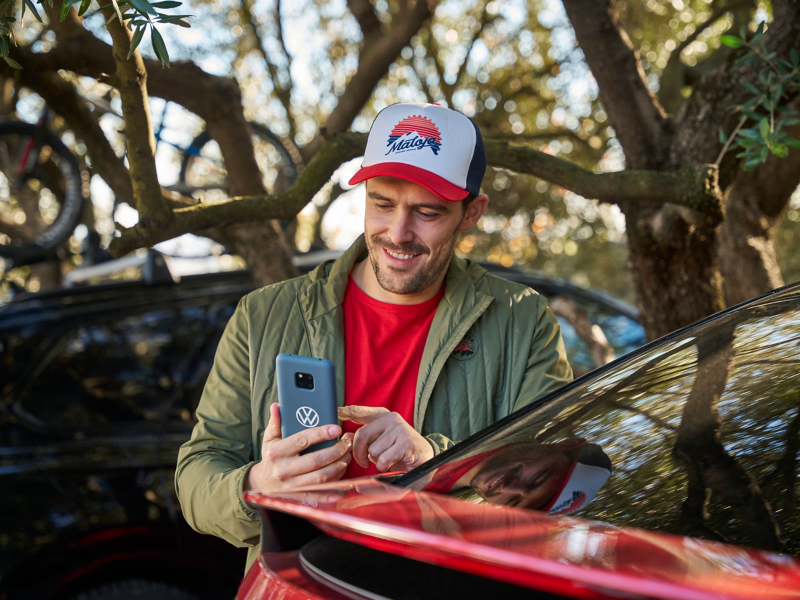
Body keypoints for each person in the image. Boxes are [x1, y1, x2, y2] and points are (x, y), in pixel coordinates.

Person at [175, 102, 573, 571]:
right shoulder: (262, 314)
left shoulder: (522, 320)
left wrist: (431, 461)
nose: (398, 233)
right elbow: (197, 472)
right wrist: (258, 486)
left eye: (428, 212)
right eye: (382, 203)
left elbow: (551, 483)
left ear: (471, 212)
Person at [417, 438, 612, 515]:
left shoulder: (430, 511)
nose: (507, 488)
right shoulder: (506, 414)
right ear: (566, 444)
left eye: (513, 501)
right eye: (537, 478)